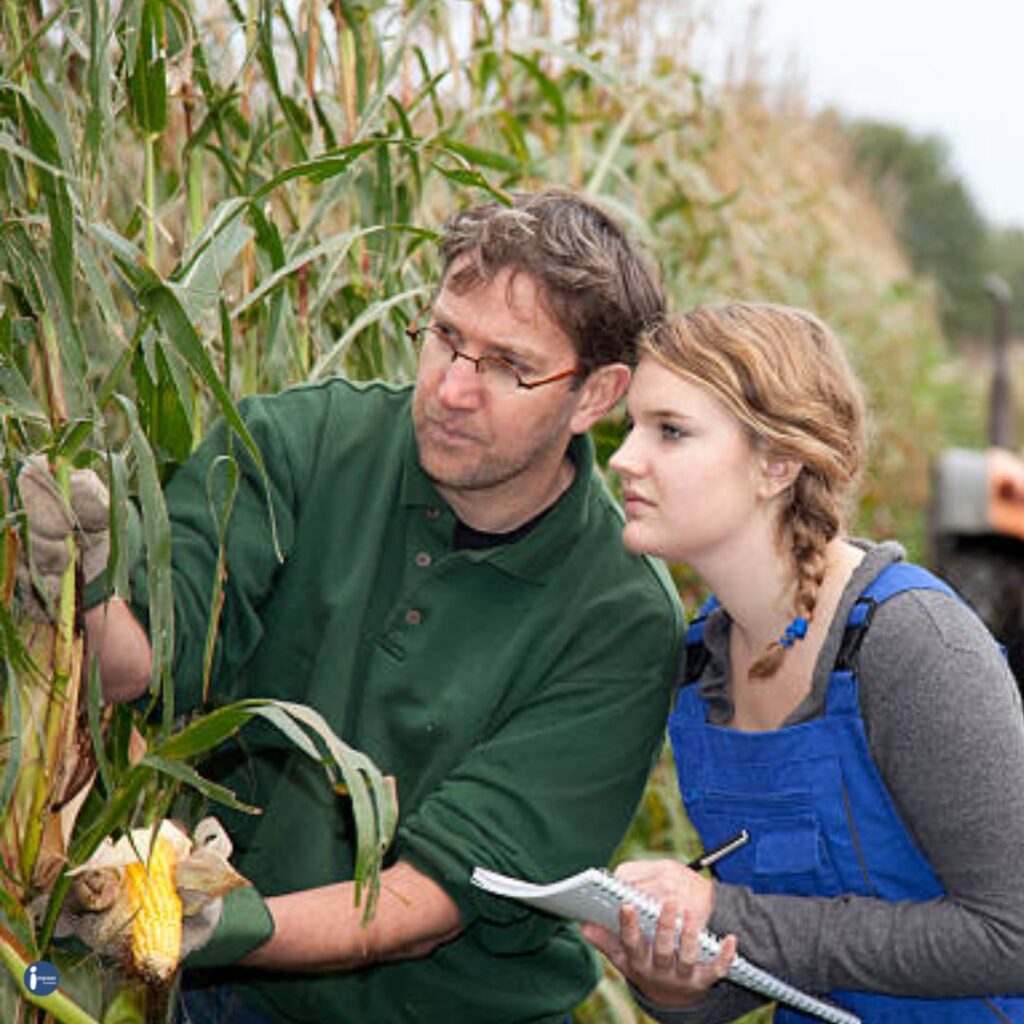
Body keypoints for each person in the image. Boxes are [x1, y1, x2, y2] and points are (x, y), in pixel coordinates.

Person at [18, 188, 684, 1024]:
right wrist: (83, 582)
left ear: (596, 395)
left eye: (509, 366)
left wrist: (205, 921)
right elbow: (142, 666)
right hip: (220, 990)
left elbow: (425, 904)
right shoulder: (295, 445)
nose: (451, 389)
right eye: (445, 337)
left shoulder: (621, 616)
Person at [582, 302, 1024, 1023]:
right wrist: (678, 985)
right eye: (633, 427)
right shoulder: (704, 667)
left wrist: (728, 915)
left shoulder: (910, 646)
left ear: (777, 464)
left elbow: (1014, 935)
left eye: (670, 431)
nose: (625, 458)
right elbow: (784, 950)